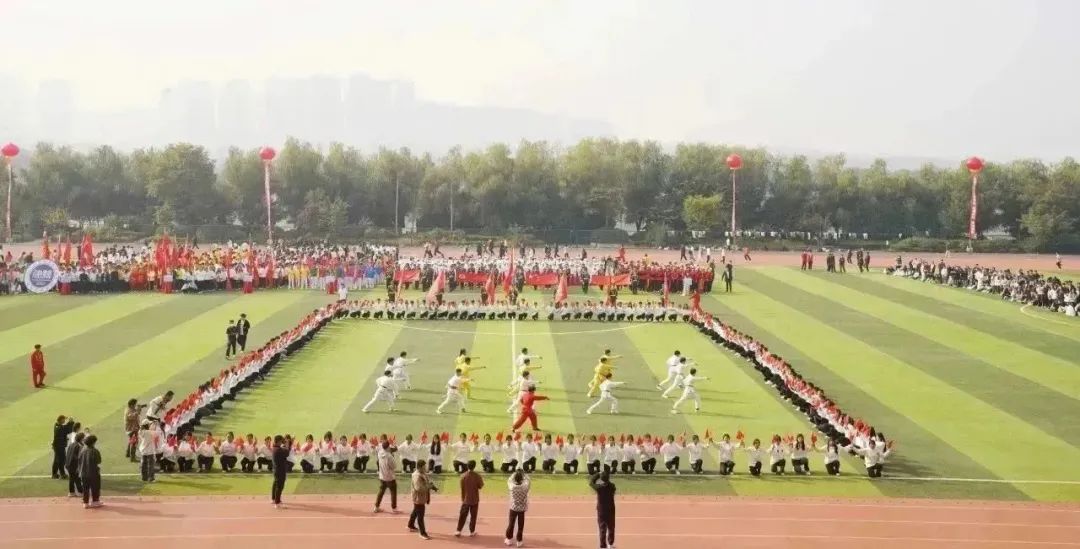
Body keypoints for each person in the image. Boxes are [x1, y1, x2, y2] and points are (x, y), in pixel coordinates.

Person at [589, 468, 617, 549]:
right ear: (608, 478)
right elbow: (610, 484)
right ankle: (610, 544)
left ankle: (603, 546)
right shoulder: (612, 486)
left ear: (601, 479)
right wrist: (604, 476)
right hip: (611, 510)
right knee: (611, 527)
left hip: (601, 511)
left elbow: (591, 482)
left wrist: (598, 474)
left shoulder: (599, 488)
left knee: (602, 529)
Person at [456, 460, 484, 537]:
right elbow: (480, 486)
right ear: (474, 466)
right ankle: (472, 531)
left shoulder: (463, 476)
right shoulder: (477, 476)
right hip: (474, 499)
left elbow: (461, 486)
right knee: (473, 516)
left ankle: (458, 530)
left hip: (465, 499)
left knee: (462, 515)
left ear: (467, 466)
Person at [409, 461, 436, 540]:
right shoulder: (417, 476)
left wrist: (432, 486)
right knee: (420, 516)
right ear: (420, 467)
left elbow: (426, 482)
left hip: (421, 497)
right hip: (418, 498)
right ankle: (422, 533)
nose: (426, 468)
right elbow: (419, 488)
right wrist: (429, 487)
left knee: (415, 511)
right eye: (424, 467)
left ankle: (410, 525)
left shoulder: (423, 473)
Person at [504, 469, 530, 548]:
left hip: (513, 508)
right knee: (520, 525)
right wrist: (524, 475)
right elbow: (528, 481)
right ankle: (519, 541)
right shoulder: (525, 487)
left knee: (511, 524)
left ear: (515, 478)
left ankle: (509, 539)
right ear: (522, 479)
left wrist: (514, 474)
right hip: (522, 508)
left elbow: (509, 480)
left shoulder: (512, 487)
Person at [374, 440, 399, 513]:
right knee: (393, 492)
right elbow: (394, 466)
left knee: (381, 492)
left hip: (382, 476)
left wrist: (391, 450)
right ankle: (394, 508)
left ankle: (376, 507)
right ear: (388, 447)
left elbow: (386, 450)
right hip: (390, 477)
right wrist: (392, 452)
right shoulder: (389, 456)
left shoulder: (379, 453)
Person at [79, 434, 103, 509]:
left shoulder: (82, 450)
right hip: (93, 472)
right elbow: (99, 461)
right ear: (93, 442)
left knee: (85, 488)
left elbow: (79, 460)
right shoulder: (95, 451)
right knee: (95, 487)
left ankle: (85, 502)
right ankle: (95, 501)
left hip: (83, 472)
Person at [65, 432, 85, 498]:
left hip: (68, 464)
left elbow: (68, 454)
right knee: (77, 478)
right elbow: (78, 457)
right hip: (73, 465)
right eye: (83, 438)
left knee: (72, 478)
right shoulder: (79, 446)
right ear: (81, 439)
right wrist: (78, 467)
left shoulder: (72, 444)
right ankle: (80, 492)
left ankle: (71, 492)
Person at [271, 435, 289, 507]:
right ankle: (277, 502)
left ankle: (274, 499)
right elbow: (287, 453)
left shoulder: (275, 448)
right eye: (281, 440)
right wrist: (286, 444)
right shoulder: (278, 450)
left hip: (276, 470)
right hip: (280, 470)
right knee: (280, 486)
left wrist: (284, 445)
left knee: (275, 484)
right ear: (279, 441)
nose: (282, 442)